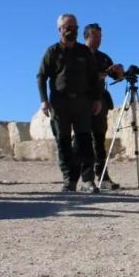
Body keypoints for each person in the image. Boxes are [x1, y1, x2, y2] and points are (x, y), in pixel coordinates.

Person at [37, 14, 101, 193]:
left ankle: (88, 180)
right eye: (67, 27)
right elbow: (41, 77)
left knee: (84, 142)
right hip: (60, 104)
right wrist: (44, 100)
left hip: (82, 103)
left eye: (74, 26)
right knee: (63, 143)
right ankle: (69, 181)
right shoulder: (52, 52)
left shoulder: (84, 52)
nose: (71, 29)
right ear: (59, 30)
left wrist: (96, 99)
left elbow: (94, 77)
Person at [83, 23, 124, 189]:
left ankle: (103, 177)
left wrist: (119, 71)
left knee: (99, 140)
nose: (99, 40)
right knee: (82, 140)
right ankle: (83, 178)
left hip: (100, 102)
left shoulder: (103, 57)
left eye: (100, 36)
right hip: (82, 103)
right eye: (95, 36)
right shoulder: (79, 54)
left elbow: (116, 77)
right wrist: (96, 76)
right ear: (87, 36)